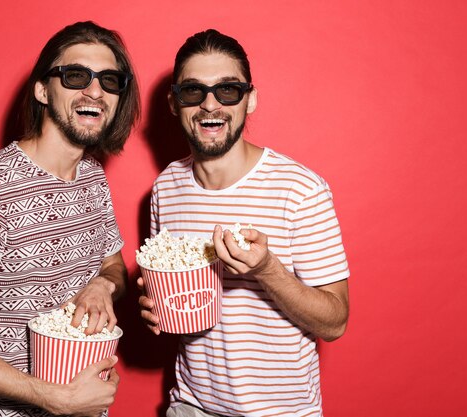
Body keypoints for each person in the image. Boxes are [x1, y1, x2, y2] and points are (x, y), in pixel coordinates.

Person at [0, 21, 140, 417]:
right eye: (76, 76)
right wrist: (56, 399)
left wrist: (101, 287)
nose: (95, 90)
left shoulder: (92, 176)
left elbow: (112, 265)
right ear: (43, 89)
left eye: (110, 80)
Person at [138, 29, 350, 417]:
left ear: (249, 100)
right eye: (193, 91)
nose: (210, 105)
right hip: (190, 407)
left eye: (228, 90)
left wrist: (267, 270)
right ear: (173, 103)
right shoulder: (165, 188)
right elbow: (180, 301)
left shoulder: (300, 189)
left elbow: (335, 322)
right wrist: (160, 308)